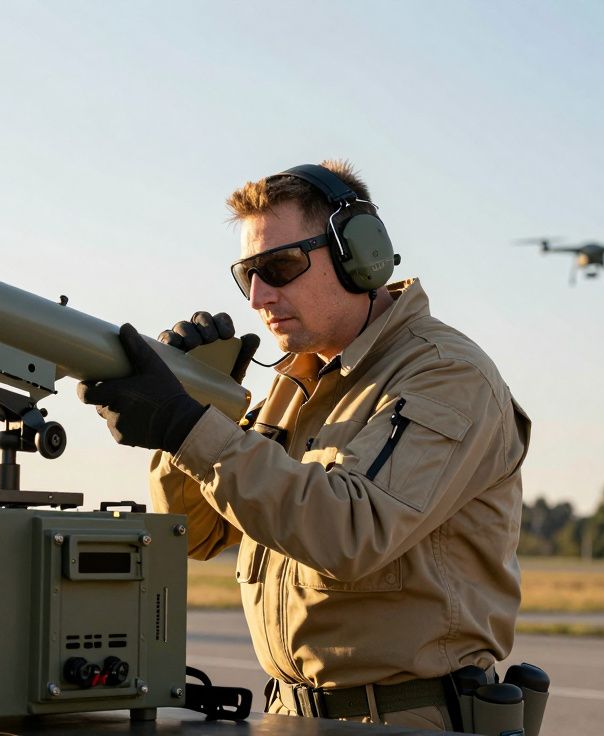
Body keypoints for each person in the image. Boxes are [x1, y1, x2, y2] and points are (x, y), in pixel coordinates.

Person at [78, 160, 531, 731]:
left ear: (358, 256)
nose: (259, 295)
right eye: (248, 275)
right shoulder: (296, 383)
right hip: (290, 713)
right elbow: (194, 535)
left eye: (281, 266)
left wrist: (187, 426)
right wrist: (193, 413)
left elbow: (352, 531)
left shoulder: (445, 376)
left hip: (404, 717)